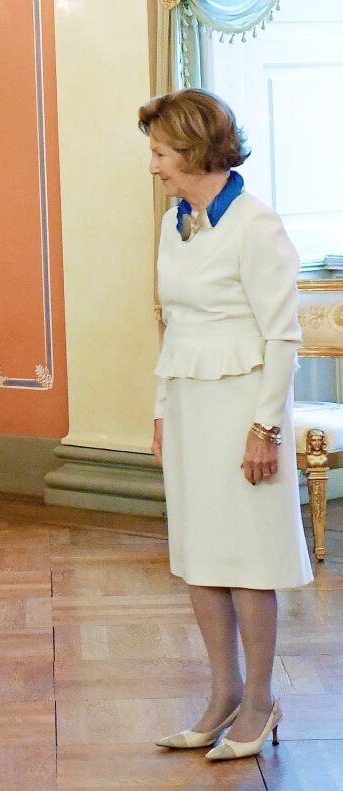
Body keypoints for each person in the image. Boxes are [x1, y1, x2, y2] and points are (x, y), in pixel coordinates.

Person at [140, 89, 313, 761]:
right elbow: (174, 323)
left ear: (190, 150)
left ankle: (262, 701)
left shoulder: (256, 224)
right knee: (201, 558)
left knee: (247, 560)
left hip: (245, 409)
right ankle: (222, 694)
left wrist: (265, 429)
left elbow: (284, 337)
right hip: (190, 407)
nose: (153, 166)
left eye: (159, 152)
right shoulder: (174, 222)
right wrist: (161, 411)